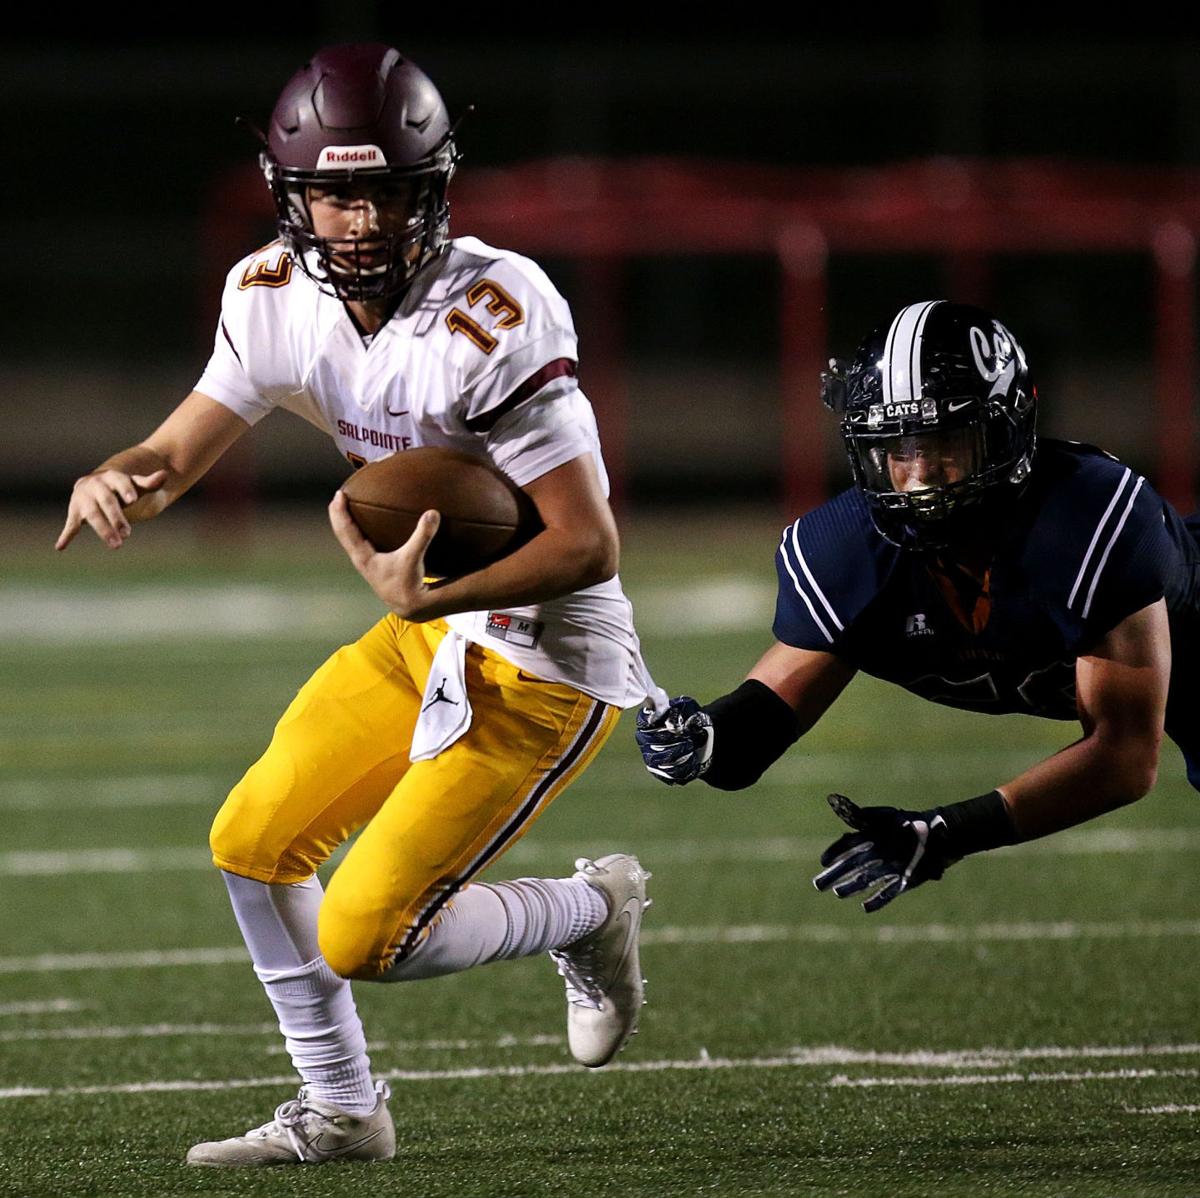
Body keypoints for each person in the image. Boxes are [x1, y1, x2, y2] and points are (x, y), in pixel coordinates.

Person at [57, 43, 656, 1168]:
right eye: (337, 194)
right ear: (292, 196)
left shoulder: (497, 309)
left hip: (545, 662)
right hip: (425, 630)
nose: (363, 220)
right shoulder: (271, 296)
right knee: (251, 841)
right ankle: (341, 1110)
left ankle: (592, 911)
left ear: (432, 189)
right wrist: (119, 474)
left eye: (386, 191)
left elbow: (587, 543)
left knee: (368, 935)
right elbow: (177, 451)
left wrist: (430, 593)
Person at [637, 298, 1200, 914]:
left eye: (947, 442)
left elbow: (1123, 757)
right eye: (898, 450)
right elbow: (761, 725)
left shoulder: (1089, 520)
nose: (920, 476)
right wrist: (706, 737)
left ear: (1006, 432)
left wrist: (950, 832)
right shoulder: (847, 551)